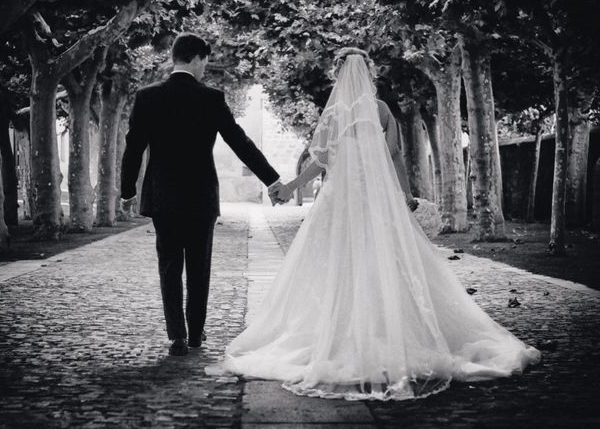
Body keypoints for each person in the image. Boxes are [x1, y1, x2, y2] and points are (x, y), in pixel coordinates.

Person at [206, 47, 540, 401]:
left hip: (339, 201)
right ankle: (385, 330)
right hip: (375, 199)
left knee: (334, 266)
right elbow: (395, 155)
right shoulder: (381, 111)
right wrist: (406, 196)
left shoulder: (333, 114)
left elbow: (320, 161)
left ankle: (339, 334)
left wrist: (290, 187)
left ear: (339, 75)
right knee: (383, 261)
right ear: (370, 73)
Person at [120, 33, 284, 356]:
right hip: (200, 197)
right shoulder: (211, 98)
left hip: (163, 197)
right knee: (198, 266)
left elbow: (133, 147)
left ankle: (177, 335)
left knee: (169, 265)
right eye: (206, 60)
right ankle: (195, 333)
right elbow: (241, 143)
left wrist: (127, 190)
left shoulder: (147, 97)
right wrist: (271, 179)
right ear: (195, 58)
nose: (206, 66)